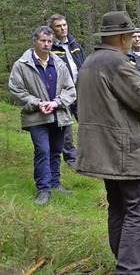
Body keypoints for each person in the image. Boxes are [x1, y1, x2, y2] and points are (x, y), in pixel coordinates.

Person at [75, 11, 140, 274]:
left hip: (104, 150)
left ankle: (131, 265)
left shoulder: (91, 61)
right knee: (137, 210)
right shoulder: (115, 63)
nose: (133, 40)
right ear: (123, 37)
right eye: (131, 35)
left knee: (119, 207)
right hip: (125, 152)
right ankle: (130, 270)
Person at [8, 26, 76, 205]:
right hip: (37, 117)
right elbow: (16, 89)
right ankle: (43, 189)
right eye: (43, 41)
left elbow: (71, 89)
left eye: (49, 41)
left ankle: (55, 184)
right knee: (42, 151)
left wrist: (57, 102)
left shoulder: (59, 63)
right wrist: (37, 103)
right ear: (34, 41)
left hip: (59, 116)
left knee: (55, 152)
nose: (46, 45)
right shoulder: (22, 65)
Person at [48, 14, 85, 167]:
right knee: (66, 127)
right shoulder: (50, 47)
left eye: (64, 25)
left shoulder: (74, 44)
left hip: (81, 90)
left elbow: (84, 63)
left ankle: (91, 155)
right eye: (58, 26)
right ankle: (72, 160)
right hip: (62, 93)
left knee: (88, 123)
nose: (63, 28)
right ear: (52, 29)